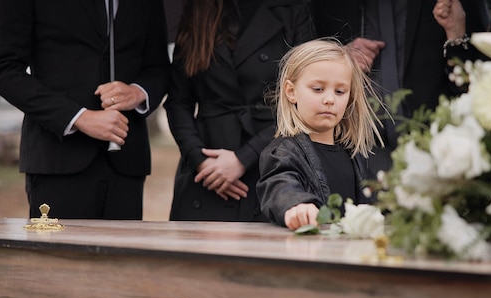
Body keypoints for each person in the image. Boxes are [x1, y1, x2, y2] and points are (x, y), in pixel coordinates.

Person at [0, 0, 171, 220]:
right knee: (58, 254)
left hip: (126, 162)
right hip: (57, 159)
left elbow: (159, 68)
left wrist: (138, 92)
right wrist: (79, 118)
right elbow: (3, 71)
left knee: (122, 255)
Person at [164, 0, 313, 221]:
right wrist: (201, 161)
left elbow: (305, 101)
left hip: (270, 161)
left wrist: (244, 158)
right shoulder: (199, 9)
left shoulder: (292, 9)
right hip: (205, 167)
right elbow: (178, 102)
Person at [310, 0, 453, 175]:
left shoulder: (444, 5)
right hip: (350, 155)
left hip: (436, 151)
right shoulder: (322, 6)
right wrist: (338, 59)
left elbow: (473, 64)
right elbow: (299, 63)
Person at [256, 38, 383, 230]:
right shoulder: (283, 152)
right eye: (318, 89)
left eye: (340, 91)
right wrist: (296, 205)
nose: (330, 99)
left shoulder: (357, 155)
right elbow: (280, 185)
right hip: (308, 254)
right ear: (291, 92)